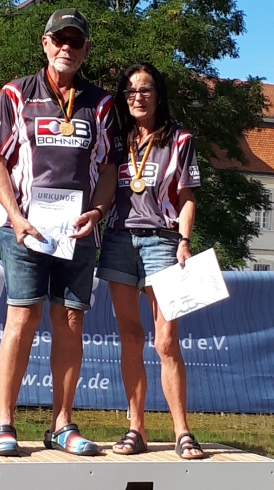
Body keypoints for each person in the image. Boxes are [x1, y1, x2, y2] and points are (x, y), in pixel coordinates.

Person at [0, 9, 121, 456]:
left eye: (75, 42)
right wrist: (15, 216)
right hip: (24, 228)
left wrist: (97, 211)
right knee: (22, 316)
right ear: (45, 43)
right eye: (60, 40)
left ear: (86, 50)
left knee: (71, 320)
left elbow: (111, 169)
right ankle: (4, 422)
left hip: (78, 232)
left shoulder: (100, 104)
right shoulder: (15, 93)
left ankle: (62, 424)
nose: (67, 48)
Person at [96, 63, 204, 460]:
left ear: (158, 94)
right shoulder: (116, 140)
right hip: (119, 239)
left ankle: (182, 432)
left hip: (162, 240)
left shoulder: (179, 139)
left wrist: (184, 241)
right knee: (129, 338)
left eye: (144, 89)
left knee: (165, 340)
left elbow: (188, 196)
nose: (137, 97)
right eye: (129, 91)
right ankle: (135, 428)